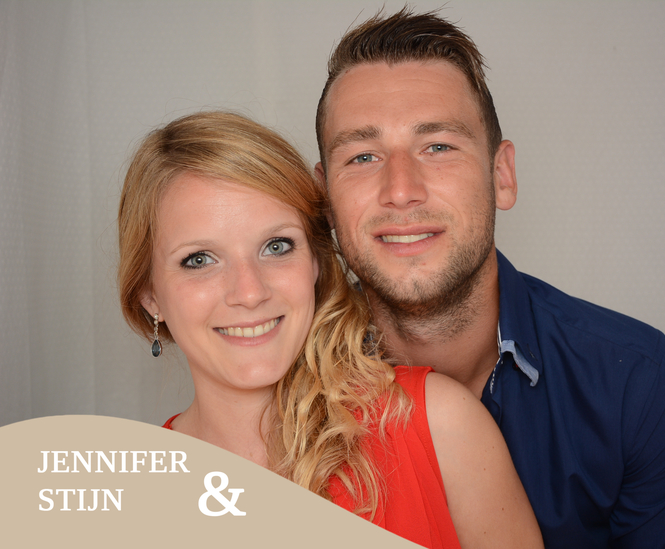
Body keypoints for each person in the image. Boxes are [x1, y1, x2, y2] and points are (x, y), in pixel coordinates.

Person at [313, 7, 665, 548]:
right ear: (325, 198)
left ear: (501, 175)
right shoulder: (285, 388)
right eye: (363, 156)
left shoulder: (636, 385)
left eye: (438, 147)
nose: (401, 190)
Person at [117, 111, 542, 549]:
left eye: (276, 246)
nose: (249, 292)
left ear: (315, 263)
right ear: (149, 294)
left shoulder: (437, 426)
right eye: (199, 260)